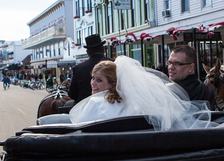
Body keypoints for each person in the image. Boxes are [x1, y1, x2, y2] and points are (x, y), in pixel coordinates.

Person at [69, 56, 213, 130]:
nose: (93, 83)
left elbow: (77, 131)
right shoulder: (137, 103)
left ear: (114, 83)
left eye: (99, 80)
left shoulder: (95, 102)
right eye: (92, 78)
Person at [167, 45, 216, 110]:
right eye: (169, 63)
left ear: (191, 67)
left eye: (177, 64)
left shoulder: (172, 92)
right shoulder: (206, 90)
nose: (171, 67)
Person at [68, 34, 113, 103]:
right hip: (111, 103)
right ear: (103, 50)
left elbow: (72, 94)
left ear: (88, 53)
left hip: (84, 107)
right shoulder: (114, 64)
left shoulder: (78, 68)